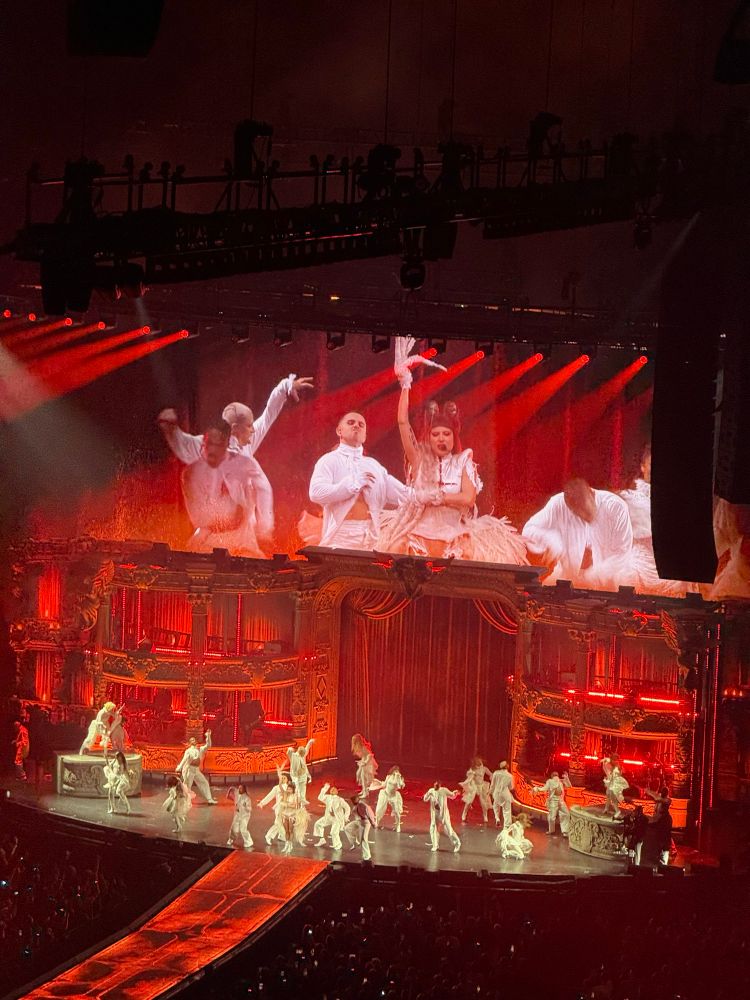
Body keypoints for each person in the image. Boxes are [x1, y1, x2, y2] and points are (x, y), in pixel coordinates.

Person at [378, 337, 528, 563]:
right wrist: (405, 384)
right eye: (436, 434)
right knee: (397, 552)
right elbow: (402, 423)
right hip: (419, 534)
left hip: (454, 535)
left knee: (469, 558)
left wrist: (440, 497)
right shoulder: (419, 459)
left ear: (453, 437)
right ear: (429, 438)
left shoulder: (463, 462)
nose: (441, 438)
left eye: (446, 434)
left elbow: (468, 498)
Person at [157, 414, 269, 556]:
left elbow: (249, 507)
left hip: (244, 545)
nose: (214, 450)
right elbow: (201, 518)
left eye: (220, 444)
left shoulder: (242, 469)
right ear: (204, 442)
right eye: (211, 443)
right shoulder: (191, 475)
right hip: (209, 548)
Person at [308, 411, 408, 549]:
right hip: (341, 537)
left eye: (361, 424)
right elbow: (316, 492)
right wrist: (351, 485)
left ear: (365, 435)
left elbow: (404, 494)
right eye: (351, 423)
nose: (356, 426)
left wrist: (431, 496)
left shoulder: (374, 465)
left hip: (370, 537)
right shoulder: (328, 460)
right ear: (339, 431)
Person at [522, 477, 634, 590]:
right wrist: (551, 540)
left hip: (608, 584)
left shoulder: (616, 507)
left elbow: (622, 553)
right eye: (580, 514)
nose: (586, 517)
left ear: (591, 493)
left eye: (588, 510)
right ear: (571, 509)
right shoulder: (558, 504)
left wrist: (591, 578)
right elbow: (529, 530)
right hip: (565, 581)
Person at [619, 445, 689, 597]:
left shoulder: (677, 502)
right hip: (638, 572)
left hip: (670, 578)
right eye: (653, 464)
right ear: (643, 467)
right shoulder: (628, 498)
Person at [175, 729, 217, 804]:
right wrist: (179, 767)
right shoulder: (188, 751)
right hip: (189, 770)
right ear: (189, 742)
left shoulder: (200, 749)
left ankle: (209, 799)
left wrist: (208, 736)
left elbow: (208, 745)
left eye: (194, 739)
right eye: (191, 740)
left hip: (196, 770)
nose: (193, 741)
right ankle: (184, 800)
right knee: (187, 786)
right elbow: (184, 759)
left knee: (204, 782)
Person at [423, 781, 462, 853]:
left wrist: (455, 793)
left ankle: (457, 843)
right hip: (435, 813)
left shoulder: (444, 790)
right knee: (433, 828)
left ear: (440, 786)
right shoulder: (431, 791)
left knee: (448, 830)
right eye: (435, 786)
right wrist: (427, 794)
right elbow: (425, 799)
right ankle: (435, 845)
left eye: (437, 786)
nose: (435, 787)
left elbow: (452, 796)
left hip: (443, 814)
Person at [258, 769, 293, 847]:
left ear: (287, 779)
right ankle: (268, 836)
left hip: (287, 808)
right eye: (282, 778)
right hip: (279, 807)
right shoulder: (276, 788)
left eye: (284, 778)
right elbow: (270, 796)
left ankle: (281, 836)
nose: (283, 779)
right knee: (278, 822)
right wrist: (262, 803)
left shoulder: (290, 787)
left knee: (282, 823)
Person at [313, 782, 351, 850]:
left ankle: (338, 845)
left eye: (334, 789)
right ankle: (322, 839)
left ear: (337, 792)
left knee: (334, 832)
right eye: (331, 789)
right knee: (318, 824)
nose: (332, 790)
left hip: (337, 818)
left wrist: (346, 817)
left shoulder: (340, 799)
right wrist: (325, 788)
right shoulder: (327, 797)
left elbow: (347, 808)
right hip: (328, 817)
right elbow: (320, 797)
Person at [532, 770, 571, 836]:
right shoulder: (550, 781)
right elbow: (544, 788)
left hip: (560, 800)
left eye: (557, 775)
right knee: (552, 817)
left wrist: (567, 778)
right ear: (552, 776)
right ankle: (551, 830)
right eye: (555, 775)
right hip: (553, 800)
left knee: (566, 814)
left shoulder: (560, 781)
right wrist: (537, 789)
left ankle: (565, 831)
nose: (556, 776)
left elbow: (569, 786)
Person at [372, 765, 405, 832]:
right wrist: (379, 783)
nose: (396, 772)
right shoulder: (389, 776)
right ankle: (377, 822)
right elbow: (385, 784)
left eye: (397, 771)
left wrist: (398, 778)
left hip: (393, 796)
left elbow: (400, 786)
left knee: (397, 812)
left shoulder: (399, 778)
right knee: (379, 809)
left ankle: (398, 825)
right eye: (395, 771)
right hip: (385, 794)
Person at [344, 793, 376, 861]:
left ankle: (366, 856)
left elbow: (370, 814)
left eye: (354, 800)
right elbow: (355, 813)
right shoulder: (355, 805)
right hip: (358, 821)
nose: (352, 802)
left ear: (357, 799)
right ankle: (355, 842)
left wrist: (373, 823)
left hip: (365, 823)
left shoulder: (363, 805)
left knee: (364, 839)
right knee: (347, 828)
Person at [460, 756, 492, 824]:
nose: (479, 762)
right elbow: (469, 778)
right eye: (478, 761)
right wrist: (464, 784)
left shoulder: (484, 769)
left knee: (483, 803)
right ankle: (464, 814)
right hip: (474, 786)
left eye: (480, 761)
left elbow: (490, 774)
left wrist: (492, 779)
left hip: (481, 786)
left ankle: (485, 816)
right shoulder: (473, 770)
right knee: (469, 801)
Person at [647, 788, 674, 866]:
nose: (662, 793)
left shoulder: (667, 800)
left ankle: (664, 863)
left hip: (664, 823)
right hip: (658, 822)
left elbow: (663, 800)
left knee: (665, 841)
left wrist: (653, 795)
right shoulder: (658, 802)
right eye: (662, 792)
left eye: (664, 792)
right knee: (658, 841)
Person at [287, 738, 314, 805]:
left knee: (303, 787)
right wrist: (290, 749)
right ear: (299, 751)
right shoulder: (293, 756)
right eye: (302, 753)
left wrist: (310, 742)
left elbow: (307, 747)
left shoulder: (303, 754)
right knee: (297, 788)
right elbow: (288, 753)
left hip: (303, 774)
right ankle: (297, 800)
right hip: (295, 775)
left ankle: (303, 799)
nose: (304, 754)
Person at [226, 783, 253, 850]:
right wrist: (229, 791)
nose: (239, 789)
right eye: (239, 788)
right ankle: (231, 839)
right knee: (234, 828)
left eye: (241, 788)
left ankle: (249, 842)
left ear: (244, 789)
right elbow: (232, 790)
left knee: (243, 829)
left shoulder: (247, 798)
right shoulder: (237, 793)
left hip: (244, 815)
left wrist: (244, 807)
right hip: (237, 814)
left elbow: (249, 809)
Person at [103, 751, 131, 815]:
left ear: (121, 757)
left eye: (118, 757)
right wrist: (106, 758)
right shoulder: (114, 760)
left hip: (120, 778)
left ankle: (128, 807)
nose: (117, 758)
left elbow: (127, 771)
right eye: (116, 757)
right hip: (113, 778)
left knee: (119, 792)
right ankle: (112, 808)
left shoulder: (124, 763)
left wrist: (130, 773)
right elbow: (108, 765)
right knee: (110, 793)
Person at [601, 755, 629, 819]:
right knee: (608, 795)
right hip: (611, 783)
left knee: (612, 797)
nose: (616, 761)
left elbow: (620, 773)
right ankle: (606, 809)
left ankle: (617, 811)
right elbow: (607, 768)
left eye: (616, 760)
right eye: (614, 760)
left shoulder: (617, 767)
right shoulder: (610, 765)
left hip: (615, 784)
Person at [489, 760, 514, 829]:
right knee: (507, 810)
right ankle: (506, 826)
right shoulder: (510, 776)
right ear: (507, 766)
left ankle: (497, 818)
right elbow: (511, 787)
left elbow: (492, 785)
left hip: (496, 793)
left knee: (495, 806)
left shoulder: (496, 773)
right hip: (505, 794)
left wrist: (490, 792)